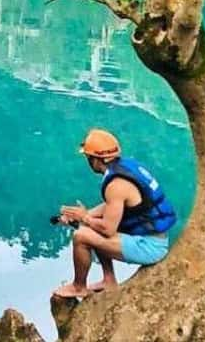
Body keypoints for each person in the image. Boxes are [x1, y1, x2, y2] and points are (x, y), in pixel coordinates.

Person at [52, 128, 177, 298]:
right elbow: (112, 206)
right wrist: (84, 215)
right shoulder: (126, 167)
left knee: (81, 236)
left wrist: (85, 218)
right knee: (89, 225)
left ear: (97, 160)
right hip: (156, 237)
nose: (89, 162)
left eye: (89, 158)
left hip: (150, 247)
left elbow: (108, 230)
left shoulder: (115, 185)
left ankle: (78, 287)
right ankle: (108, 280)